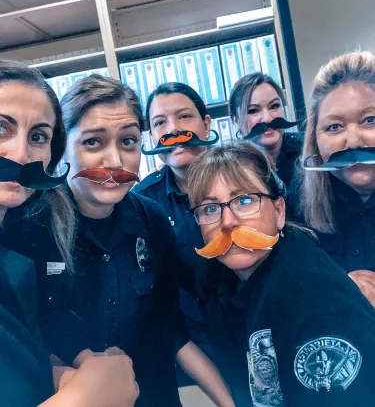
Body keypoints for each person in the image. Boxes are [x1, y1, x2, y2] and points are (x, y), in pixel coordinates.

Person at [5, 75, 234, 407]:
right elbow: (22, 347)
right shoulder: (27, 226)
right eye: (93, 143)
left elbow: (168, 326)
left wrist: (228, 401)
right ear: (61, 148)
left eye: (128, 141)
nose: (114, 161)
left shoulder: (152, 220)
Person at [187, 141, 375, 407]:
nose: (227, 221)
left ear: (278, 211)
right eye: (210, 208)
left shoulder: (315, 306)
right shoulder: (216, 274)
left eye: (244, 200)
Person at [0, 60, 138, 407]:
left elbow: (19, 362)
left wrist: (70, 375)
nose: (21, 153)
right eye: (1, 128)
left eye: (38, 137)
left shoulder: (8, 261)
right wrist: (85, 396)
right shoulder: (32, 230)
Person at [133, 82, 213, 357]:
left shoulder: (246, 178)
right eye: (159, 123)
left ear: (206, 123)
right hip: (191, 346)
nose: (173, 130)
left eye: (184, 116)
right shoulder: (142, 202)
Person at [293, 50, 375, 309]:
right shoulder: (294, 210)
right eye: (334, 127)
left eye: (370, 120)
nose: (353, 140)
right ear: (315, 141)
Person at [229, 72, 302, 188]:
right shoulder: (230, 169)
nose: (268, 119)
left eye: (274, 106)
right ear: (236, 121)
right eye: (253, 111)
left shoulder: (308, 150)